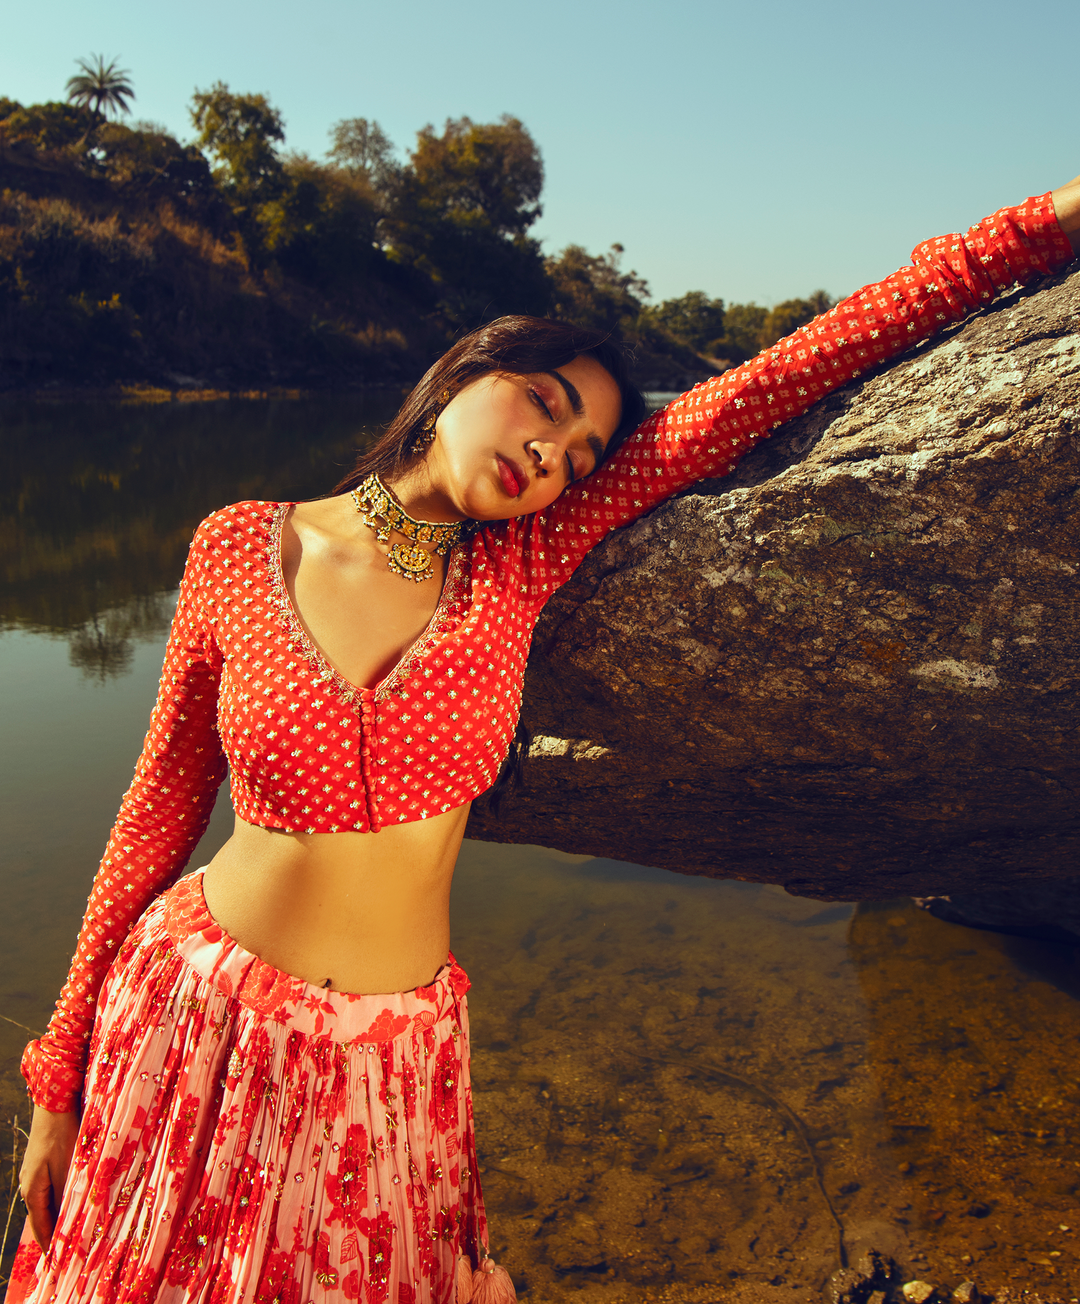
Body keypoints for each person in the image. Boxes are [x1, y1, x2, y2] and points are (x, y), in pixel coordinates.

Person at [12, 178, 1080, 1304]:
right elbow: (155, 815)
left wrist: (1039, 232)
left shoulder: (519, 569)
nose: (555, 454)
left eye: (581, 451)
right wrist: (57, 1074)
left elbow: (773, 381)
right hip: (193, 1019)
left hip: (389, 1064)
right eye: (543, 403)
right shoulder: (236, 547)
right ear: (461, 376)